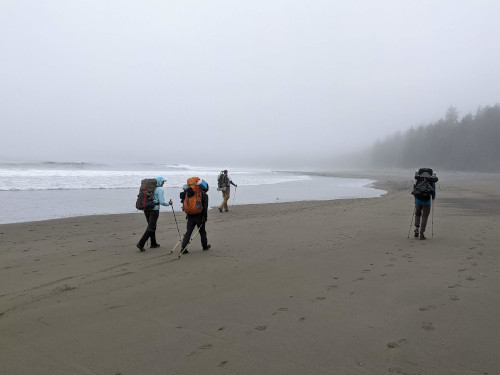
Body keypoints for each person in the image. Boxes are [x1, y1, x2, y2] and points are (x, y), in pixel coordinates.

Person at [136, 176, 173, 251]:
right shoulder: (160, 189)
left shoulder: (150, 189)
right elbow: (162, 202)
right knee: (151, 227)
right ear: (159, 182)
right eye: (163, 182)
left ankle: (153, 243)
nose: (163, 183)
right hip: (154, 210)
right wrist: (169, 203)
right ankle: (141, 243)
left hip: (146, 209)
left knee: (151, 226)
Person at [180, 180, 210, 254]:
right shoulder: (204, 195)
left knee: (189, 231)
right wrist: (205, 217)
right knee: (202, 232)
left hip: (190, 215)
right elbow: (205, 208)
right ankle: (204, 246)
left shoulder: (189, 193)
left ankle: (183, 248)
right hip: (199, 216)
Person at [413, 171, 436, 240]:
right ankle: (422, 233)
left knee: (417, 215)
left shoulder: (418, 180)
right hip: (427, 202)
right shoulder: (431, 181)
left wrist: (415, 199)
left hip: (418, 201)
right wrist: (433, 198)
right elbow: (433, 191)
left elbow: (415, 189)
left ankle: (416, 229)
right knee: (424, 217)